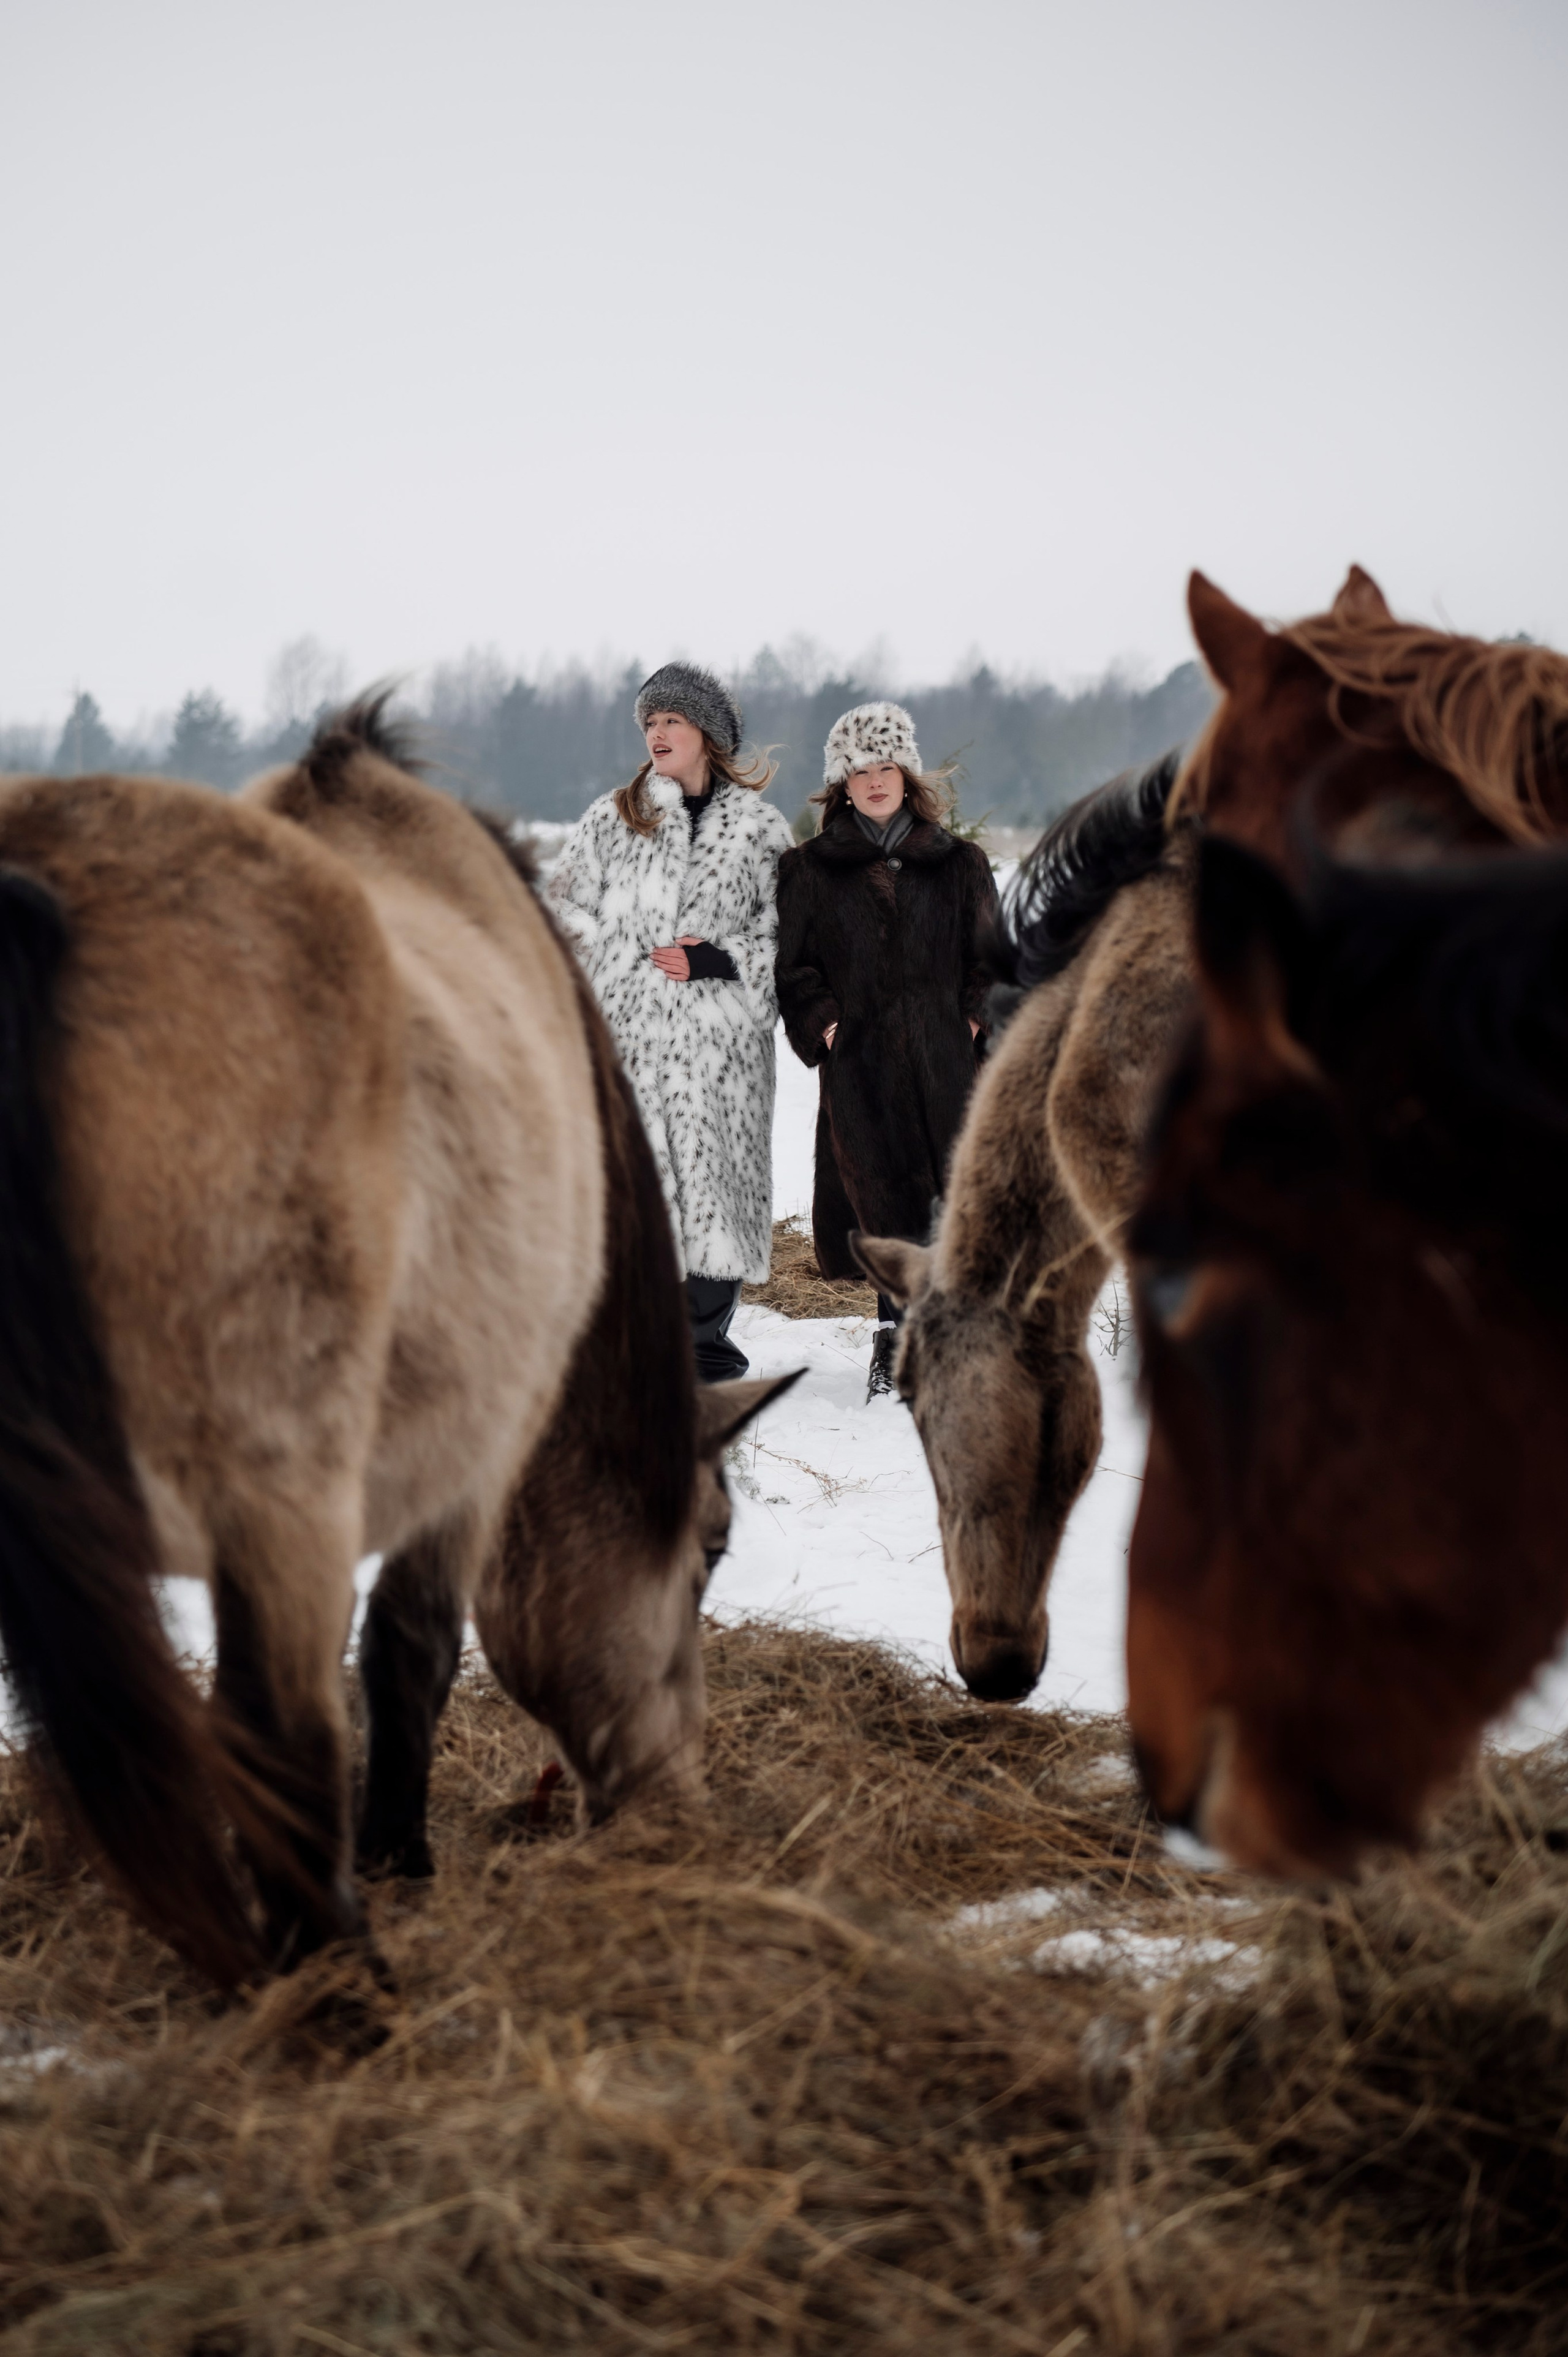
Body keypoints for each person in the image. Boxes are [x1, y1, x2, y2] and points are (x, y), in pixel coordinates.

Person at [549, 662, 795, 1381]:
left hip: (721, 1045)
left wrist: (718, 959)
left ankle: (704, 1348)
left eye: (672, 721)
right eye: (649, 722)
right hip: (633, 1041)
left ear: (707, 735)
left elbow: (787, 937)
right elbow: (561, 908)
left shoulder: (759, 831)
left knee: (716, 1185)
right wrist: (618, 959)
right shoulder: (614, 817)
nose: (657, 733)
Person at [775, 700, 1000, 1398]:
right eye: (858, 771)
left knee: (950, 1202)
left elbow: (992, 959)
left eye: (885, 767)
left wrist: (968, 1021)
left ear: (906, 773)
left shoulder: (959, 864)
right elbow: (794, 968)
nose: (874, 781)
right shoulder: (809, 869)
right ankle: (894, 1340)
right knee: (883, 1203)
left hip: (947, 1065)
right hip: (862, 1068)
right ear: (840, 785)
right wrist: (830, 1027)